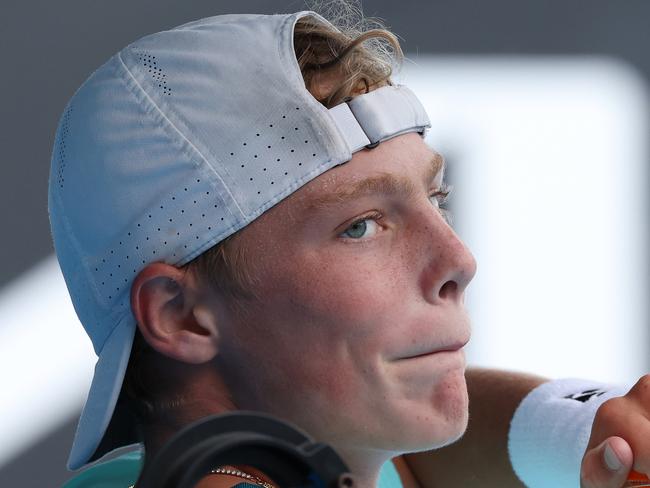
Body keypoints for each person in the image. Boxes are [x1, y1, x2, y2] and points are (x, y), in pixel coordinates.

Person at [50, 4, 650, 488]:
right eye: (360, 226)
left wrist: (580, 425)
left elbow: (412, 463)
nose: (459, 261)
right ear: (180, 313)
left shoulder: (341, 450)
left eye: (435, 199)